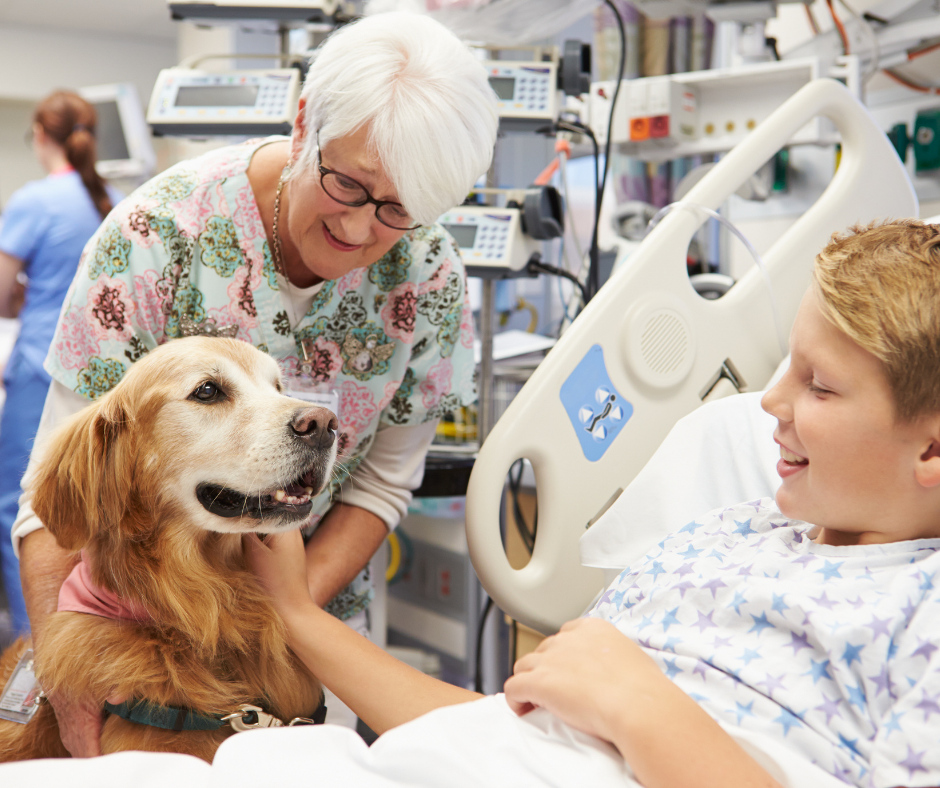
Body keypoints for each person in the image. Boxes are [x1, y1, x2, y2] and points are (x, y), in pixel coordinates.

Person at [248, 220, 940, 788]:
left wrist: (638, 706)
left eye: (819, 385)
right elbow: (500, 732)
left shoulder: (921, 609)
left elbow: (610, 707)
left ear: (930, 451)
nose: (769, 400)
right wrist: (295, 615)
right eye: (786, 365)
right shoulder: (727, 538)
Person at [12, 11, 498, 754]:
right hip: (131, 634)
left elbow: (382, 483)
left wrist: (285, 612)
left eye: (400, 208)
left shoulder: (427, 273)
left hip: (302, 639)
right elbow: (58, 492)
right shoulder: (155, 235)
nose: (366, 231)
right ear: (306, 125)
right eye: (350, 185)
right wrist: (73, 699)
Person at [0, 91, 121, 636]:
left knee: (23, 510)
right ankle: (89, 637)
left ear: (41, 136)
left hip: (41, 371)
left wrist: (24, 296)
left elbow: (1, 292)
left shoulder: (37, 200)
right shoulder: (114, 200)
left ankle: (36, 656)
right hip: (105, 375)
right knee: (91, 512)